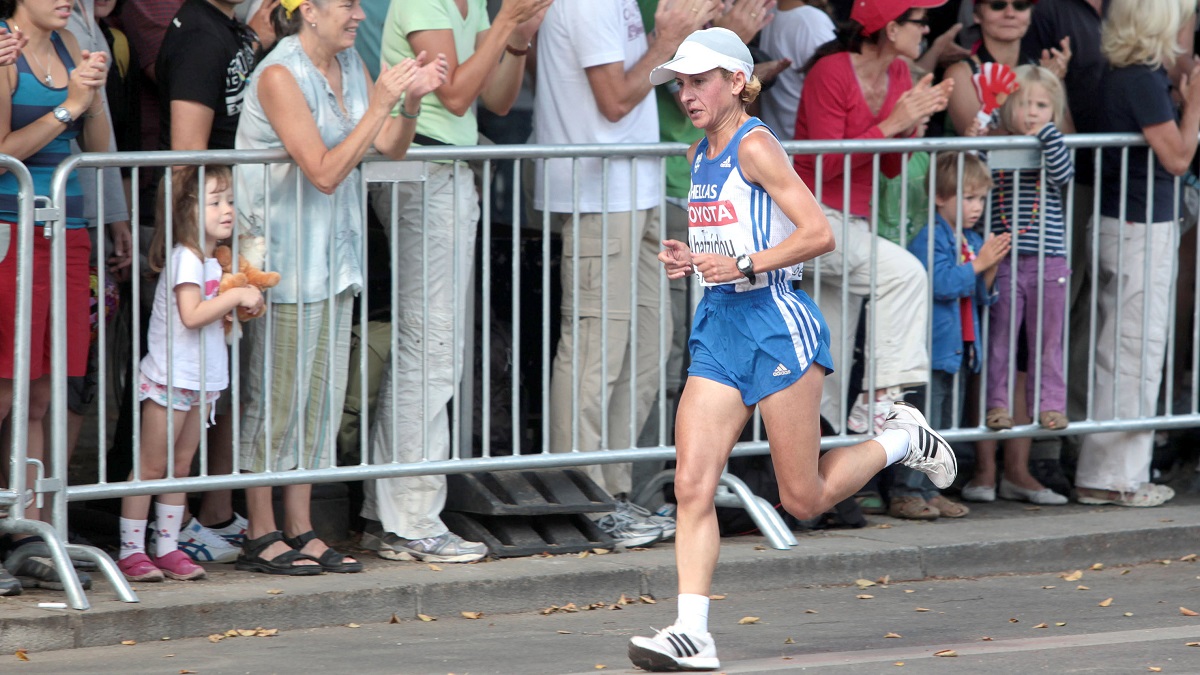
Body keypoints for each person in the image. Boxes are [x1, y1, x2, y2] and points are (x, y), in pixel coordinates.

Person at [625, 28, 958, 672]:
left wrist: (743, 262)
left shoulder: (757, 147)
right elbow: (727, 248)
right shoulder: (701, 153)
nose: (687, 95)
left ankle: (900, 441)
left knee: (801, 499)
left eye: (700, 81)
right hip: (720, 326)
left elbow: (818, 233)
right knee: (692, 484)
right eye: (682, 84)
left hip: (777, 323)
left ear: (737, 82)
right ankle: (691, 630)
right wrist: (692, 259)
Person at [232, 0, 445, 575]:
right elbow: (324, 172)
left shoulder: (350, 65)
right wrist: (380, 103)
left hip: (334, 257)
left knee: (318, 401)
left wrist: (411, 100)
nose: (358, 15)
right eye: (347, 4)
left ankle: (300, 526)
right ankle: (260, 529)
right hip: (280, 260)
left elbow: (390, 150)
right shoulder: (279, 74)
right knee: (276, 398)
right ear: (309, 11)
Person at [357, 0, 549, 566]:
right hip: (423, 169)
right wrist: (506, 22)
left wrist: (516, 38)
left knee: (434, 345)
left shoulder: (468, 10)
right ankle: (410, 519)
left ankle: (389, 514)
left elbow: (497, 99)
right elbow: (458, 96)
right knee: (430, 345)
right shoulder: (425, 2)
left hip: (445, 169)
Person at [533, 0, 717, 548]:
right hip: (598, 196)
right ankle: (582, 499)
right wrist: (668, 40)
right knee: (596, 351)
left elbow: (641, 85)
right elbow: (613, 101)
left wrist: (684, 43)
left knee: (648, 343)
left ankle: (611, 495)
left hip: (635, 190)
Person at [792, 0, 952, 436]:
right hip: (808, 218)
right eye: (920, 21)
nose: (926, 31)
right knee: (905, 274)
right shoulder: (832, 72)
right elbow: (824, 164)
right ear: (891, 29)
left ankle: (813, 480)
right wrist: (894, 122)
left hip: (850, 221)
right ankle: (881, 397)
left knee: (829, 362)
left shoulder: (899, 73)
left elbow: (890, 168)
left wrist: (911, 129)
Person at [0, 0, 110, 595]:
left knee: (42, 393)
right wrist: (68, 104)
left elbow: (96, 145)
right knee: (3, 387)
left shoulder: (72, 44)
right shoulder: (3, 48)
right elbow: (2, 151)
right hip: (10, 231)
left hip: (64, 228)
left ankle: (30, 533)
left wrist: (93, 94)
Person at [1072, 0, 1198, 508]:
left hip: (1121, 221)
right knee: (1134, 350)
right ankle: (1113, 477)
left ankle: (1110, 472)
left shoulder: (1120, 72)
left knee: (1121, 347)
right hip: (1139, 226)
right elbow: (1177, 156)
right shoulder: (1140, 77)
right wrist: (1195, 106)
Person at [151, 0, 262, 566]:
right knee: (161, 446)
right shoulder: (198, 33)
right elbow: (187, 154)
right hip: (199, 232)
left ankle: (208, 514)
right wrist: (198, 235)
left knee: (204, 411)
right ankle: (169, 531)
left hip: (214, 231)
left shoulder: (230, 26)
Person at [117, 165, 263, 583]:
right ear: (186, 210)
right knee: (150, 465)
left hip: (201, 380)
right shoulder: (185, 259)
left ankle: (166, 545)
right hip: (170, 379)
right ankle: (131, 549)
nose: (227, 209)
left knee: (180, 467)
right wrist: (236, 295)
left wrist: (240, 303)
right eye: (215, 202)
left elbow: (214, 312)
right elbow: (193, 314)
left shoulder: (214, 261)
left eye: (230, 200)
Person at [894, 153, 1007, 520]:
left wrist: (986, 272)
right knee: (921, 423)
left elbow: (981, 296)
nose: (978, 207)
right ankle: (905, 491)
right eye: (969, 198)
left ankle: (931, 489)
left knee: (943, 426)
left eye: (981, 199)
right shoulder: (930, 236)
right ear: (941, 197)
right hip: (932, 347)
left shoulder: (971, 239)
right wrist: (978, 265)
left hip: (958, 350)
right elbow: (940, 284)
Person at [982, 65, 1073, 436]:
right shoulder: (996, 140)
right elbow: (975, 163)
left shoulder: (1053, 143)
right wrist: (990, 118)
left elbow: (1063, 174)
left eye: (1041, 105)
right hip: (1005, 257)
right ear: (1007, 108)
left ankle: (1051, 406)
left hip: (1050, 259)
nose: (1032, 112)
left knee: (1049, 340)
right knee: (1001, 336)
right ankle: (997, 405)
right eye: (1022, 104)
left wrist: (1047, 135)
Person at [944, 0, 1070, 136]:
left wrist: (1053, 82)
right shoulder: (961, 73)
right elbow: (980, 143)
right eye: (997, 5)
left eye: (1020, 6)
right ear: (977, 16)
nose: (1010, 14)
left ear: (1030, 16)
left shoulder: (1044, 69)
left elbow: (1068, 141)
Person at [752, 0, 835, 139]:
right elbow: (837, 88)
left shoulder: (772, 13)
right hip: (807, 148)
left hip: (782, 145)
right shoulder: (812, 21)